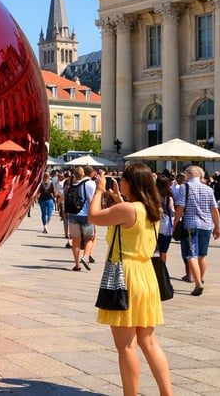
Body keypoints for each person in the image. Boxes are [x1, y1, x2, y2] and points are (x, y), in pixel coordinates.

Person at [88, 162, 173, 396]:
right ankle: (167, 393)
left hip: (125, 275)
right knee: (149, 341)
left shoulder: (128, 210)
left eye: (123, 178)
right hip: (146, 274)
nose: (120, 181)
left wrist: (98, 190)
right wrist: (118, 198)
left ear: (132, 183)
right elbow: (130, 218)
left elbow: (94, 216)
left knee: (126, 345)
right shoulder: (152, 208)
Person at [173, 164, 220, 296]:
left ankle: (198, 283)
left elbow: (180, 207)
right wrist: (217, 226)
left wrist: (175, 223)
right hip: (206, 225)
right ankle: (201, 278)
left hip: (190, 224)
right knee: (202, 255)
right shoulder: (208, 189)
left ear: (188, 174)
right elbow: (214, 209)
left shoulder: (185, 187)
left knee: (191, 255)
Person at [66, 166, 96, 271]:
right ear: (84, 174)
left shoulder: (72, 184)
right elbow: (92, 200)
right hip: (85, 215)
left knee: (75, 240)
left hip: (73, 214)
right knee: (89, 238)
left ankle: (77, 264)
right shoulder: (90, 183)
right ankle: (85, 257)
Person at [155, 175, 174, 263]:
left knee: (154, 249)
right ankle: (163, 267)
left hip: (155, 225)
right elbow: (172, 210)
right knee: (164, 251)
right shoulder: (169, 197)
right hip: (166, 227)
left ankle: (155, 267)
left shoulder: (153, 195)